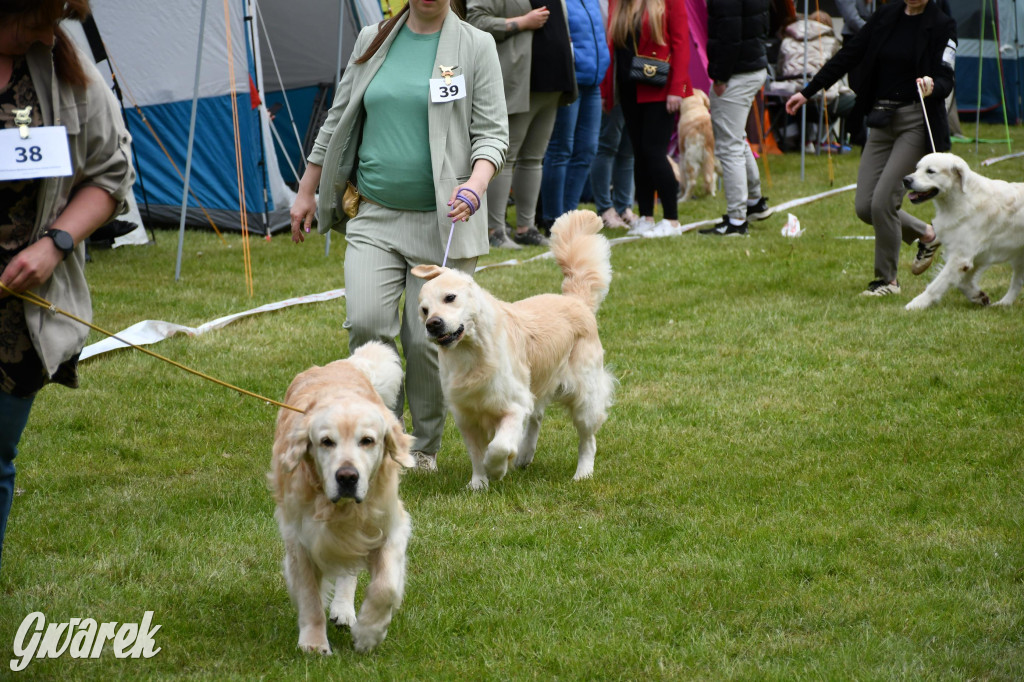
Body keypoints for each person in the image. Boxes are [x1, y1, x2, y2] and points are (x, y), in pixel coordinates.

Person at [289, 0, 508, 471]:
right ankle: (380, 430)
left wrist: (475, 184)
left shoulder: (477, 46)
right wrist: (306, 189)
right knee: (366, 323)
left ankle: (423, 448)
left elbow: (493, 134)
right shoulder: (372, 40)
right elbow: (338, 119)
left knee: (427, 340)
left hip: (444, 222)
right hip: (374, 215)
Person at [0, 0, 135, 572]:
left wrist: (53, 244)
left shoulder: (61, 65)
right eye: (39, 17)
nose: (49, 33)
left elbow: (112, 170)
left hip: (16, 313)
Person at [785, 0, 955, 297]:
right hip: (880, 118)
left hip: (914, 122)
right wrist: (808, 91)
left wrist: (932, 85)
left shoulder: (942, 24)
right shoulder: (886, 15)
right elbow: (849, 54)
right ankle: (927, 234)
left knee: (883, 202)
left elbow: (946, 79)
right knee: (866, 207)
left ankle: (887, 281)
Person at [468, 0, 576, 248]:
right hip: (517, 83)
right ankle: (494, 230)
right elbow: (475, 21)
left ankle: (526, 228)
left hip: (552, 84)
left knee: (534, 158)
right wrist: (520, 23)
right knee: (503, 157)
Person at [605, 0, 692, 238]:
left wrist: (678, 88)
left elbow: (681, 44)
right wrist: (607, 91)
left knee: (654, 153)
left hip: (660, 88)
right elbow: (613, 48)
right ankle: (645, 217)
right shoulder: (618, 3)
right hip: (629, 88)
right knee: (640, 154)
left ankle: (672, 220)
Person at [700, 0, 774, 237]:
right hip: (753, 65)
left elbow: (729, 34)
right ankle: (754, 202)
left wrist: (720, 77)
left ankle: (736, 220)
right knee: (737, 139)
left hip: (737, 73)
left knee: (729, 146)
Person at [538, 0, 610, 229]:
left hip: (593, 83)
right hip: (569, 81)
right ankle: (552, 218)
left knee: (587, 150)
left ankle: (569, 218)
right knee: (561, 149)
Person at [775, 11, 854, 152]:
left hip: (789, 95)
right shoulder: (832, 42)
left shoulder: (787, 40)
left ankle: (809, 141)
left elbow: (780, 70)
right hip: (819, 99)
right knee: (849, 100)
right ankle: (843, 140)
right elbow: (835, 71)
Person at [591, 102, 637, 228]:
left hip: (634, 95)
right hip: (615, 95)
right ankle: (605, 210)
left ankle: (624, 208)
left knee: (628, 151)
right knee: (607, 147)